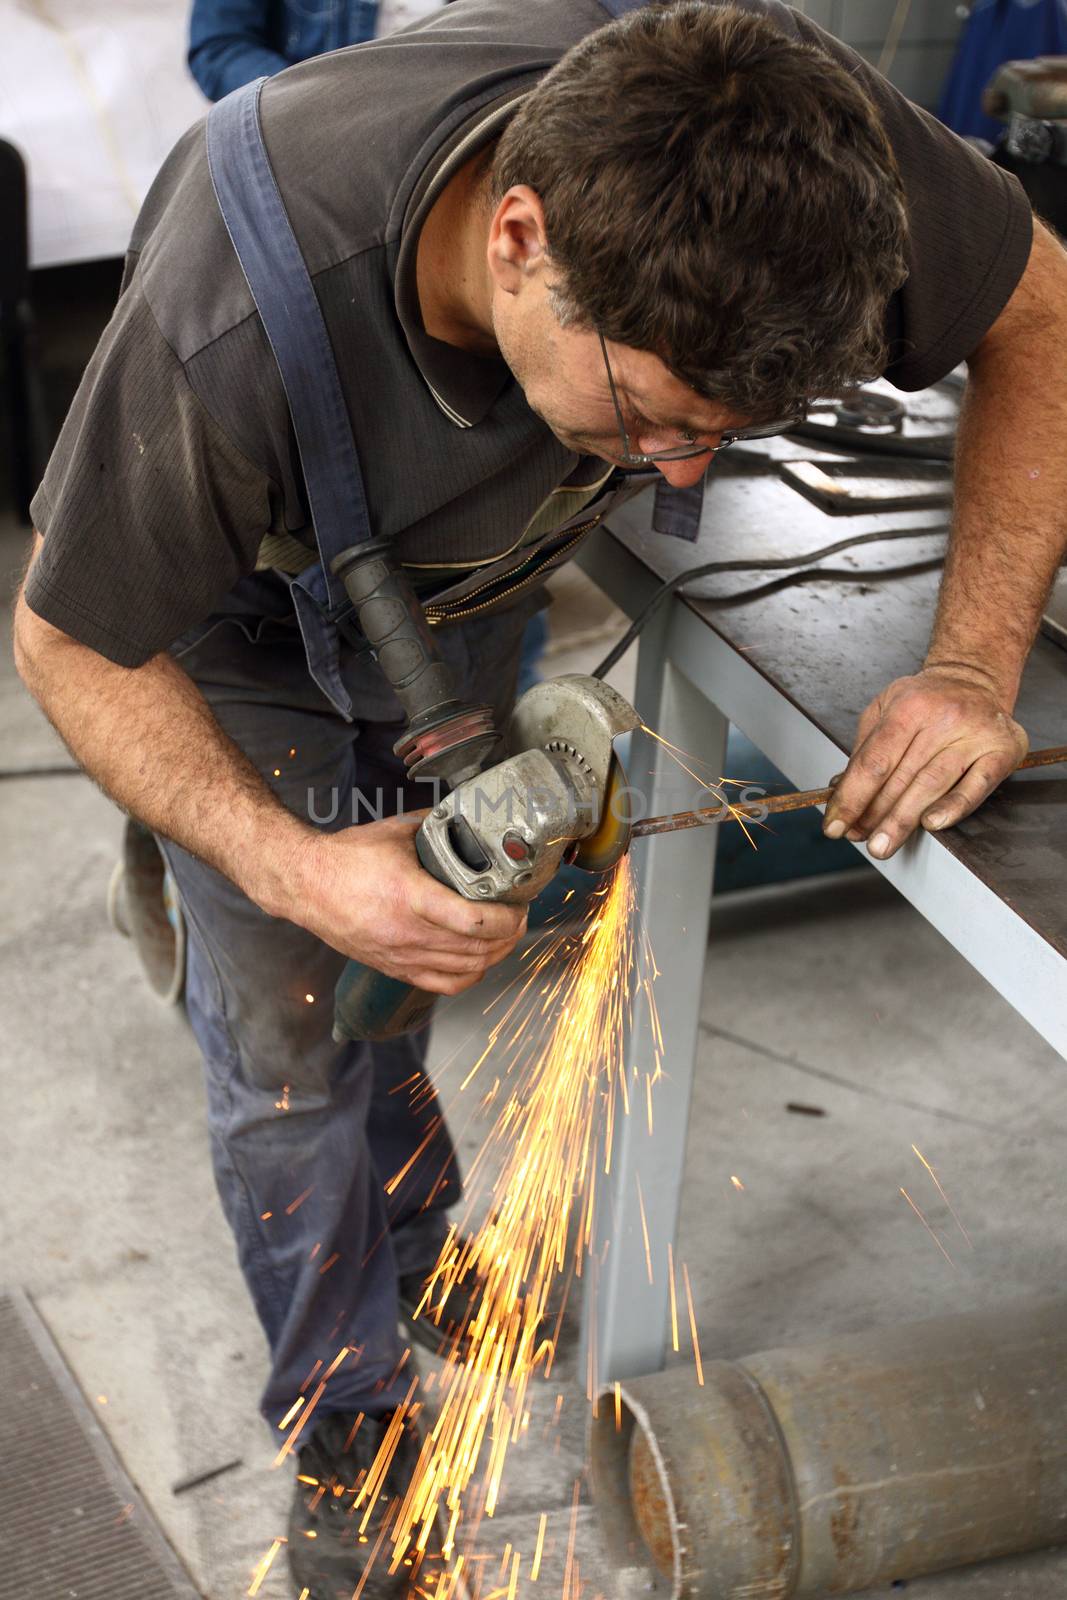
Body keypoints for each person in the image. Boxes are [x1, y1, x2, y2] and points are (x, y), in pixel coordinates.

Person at [14, 2, 1067, 1593]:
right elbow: (67, 642)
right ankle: (349, 1427)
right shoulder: (229, 318)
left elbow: (1047, 308)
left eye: (728, 433)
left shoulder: (792, 149)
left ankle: (424, 1239)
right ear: (519, 238)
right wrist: (285, 864)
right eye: (662, 419)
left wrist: (972, 665)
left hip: (466, 575)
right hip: (240, 622)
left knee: (435, 927)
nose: (690, 481)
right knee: (296, 1033)